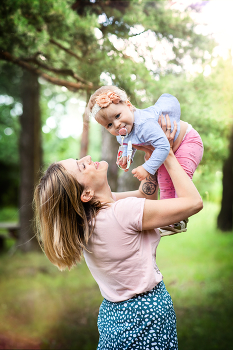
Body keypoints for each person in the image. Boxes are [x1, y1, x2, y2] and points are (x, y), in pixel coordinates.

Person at [34, 119, 203, 350]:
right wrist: (167, 153)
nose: (86, 159)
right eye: (81, 167)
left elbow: (145, 197)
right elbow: (193, 202)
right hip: (145, 317)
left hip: (117, 317)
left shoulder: (91, 217)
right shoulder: (121, 212)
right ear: (86, 194)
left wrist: (150, 163)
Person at [88, 86, 204, 234]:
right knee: (164, 183)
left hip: (186, 142)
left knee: (179, 178)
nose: (117, 125)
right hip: (163, 150)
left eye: (117, 116)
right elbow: (128, 142)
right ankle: (171, 219)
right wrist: (126, 156)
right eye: (109, 125)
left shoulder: (145, 124)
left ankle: (181, 215)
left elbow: (162, 146)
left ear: (129, 106)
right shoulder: (122, 132)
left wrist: (147, 167)